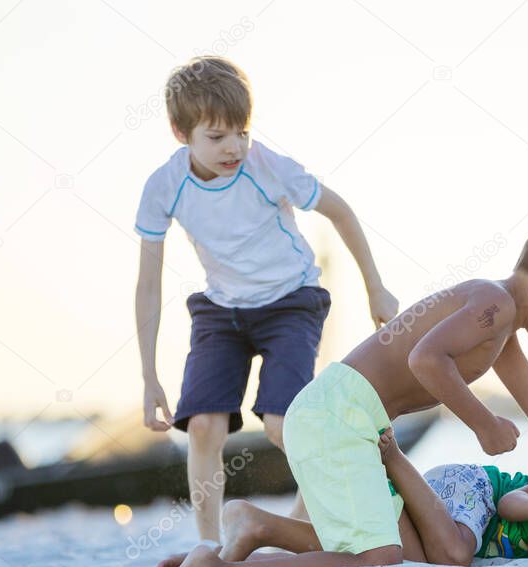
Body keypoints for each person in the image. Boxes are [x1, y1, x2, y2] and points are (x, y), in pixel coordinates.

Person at [168, 208, 528, 567]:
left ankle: (253, 526)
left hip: (348, 417)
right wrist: (483, 423)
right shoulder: (494, 305)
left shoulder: (501, 329)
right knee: (379, 557)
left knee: (364, 539)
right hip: (339, 413)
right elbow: (425, 358)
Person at [134, 56, 398, 542]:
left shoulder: (266, 167)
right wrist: (150, 376)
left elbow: (339, 210)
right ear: (180, 132)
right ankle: (211, 544)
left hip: (290, 302)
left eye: (242, 132)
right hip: (222, 310)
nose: (234, 147)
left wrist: (375, 287)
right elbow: (148, 282)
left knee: (285, 424)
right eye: (216, 137)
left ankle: (304, 523)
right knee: (203, 428)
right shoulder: (163, 187)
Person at [157, 431, 528, 567]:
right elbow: (516, 502)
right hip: (467, 490)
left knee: (390, 559)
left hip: (436, 519)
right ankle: (392, 457)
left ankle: (251, 530)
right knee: (453, 553)